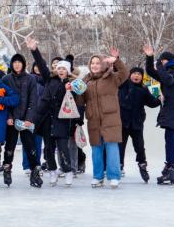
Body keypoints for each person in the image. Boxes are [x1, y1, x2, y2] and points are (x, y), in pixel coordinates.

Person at [27, 37, 80, 187]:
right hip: (45, 119)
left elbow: (75, 100)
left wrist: (70, 90)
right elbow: (42, 65)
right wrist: (34, 50)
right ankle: (52, 170)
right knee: (48, 148)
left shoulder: (71, 84)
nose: (61, 70)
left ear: (68, 71)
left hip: (61, 120)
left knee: (63, 148)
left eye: (64, 68)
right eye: (59, 68)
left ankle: (68, 170)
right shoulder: (49, 79)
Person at [76, 48, 129, 189]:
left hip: (110, 118)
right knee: (96, 149)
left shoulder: (112, 77)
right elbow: (80, 102)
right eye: (92, 63)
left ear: (103, 65)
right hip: (94, 119)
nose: (94, 65)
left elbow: (125, 74)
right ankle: (98, 176)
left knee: (111, 147)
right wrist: (75, 91)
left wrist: (116, 61)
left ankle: (114, 176)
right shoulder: (86, 80)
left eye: (97, 63)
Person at [144, 46, 174, 185]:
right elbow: (151, 72)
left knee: (171, 139)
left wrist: (159, 64)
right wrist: (150, 57)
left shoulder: (172, 71)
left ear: (166, 61)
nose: (160, 64)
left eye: (162, 61)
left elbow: (167, 80)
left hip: (173, 109)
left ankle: (171, 169)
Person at [1, 53, 43, 188]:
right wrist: (9, 117)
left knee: (31, 147)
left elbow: (33, 100)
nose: (17, 64)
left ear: (24, 64)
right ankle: (7, 169)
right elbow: (4, 100)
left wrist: (29, 119)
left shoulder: (30, 79)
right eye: (15, 62)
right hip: (12, 120)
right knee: (10, 147)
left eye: (20, 62)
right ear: (12, 64)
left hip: (26, 120)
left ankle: (34, 171)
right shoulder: (6, 79)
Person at [118, 67, 161, 182]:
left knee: (140, 147)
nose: (136, 76)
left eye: (139, 74)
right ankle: (119, 166)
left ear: (142, 77)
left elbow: (152, 103)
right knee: (120, 146)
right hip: (123, 122)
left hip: (137, 123)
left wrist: (159, 98)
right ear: (130, 75)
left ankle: (142, 165)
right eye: (134, 74)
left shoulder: (144, 89)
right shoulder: (123, 86)